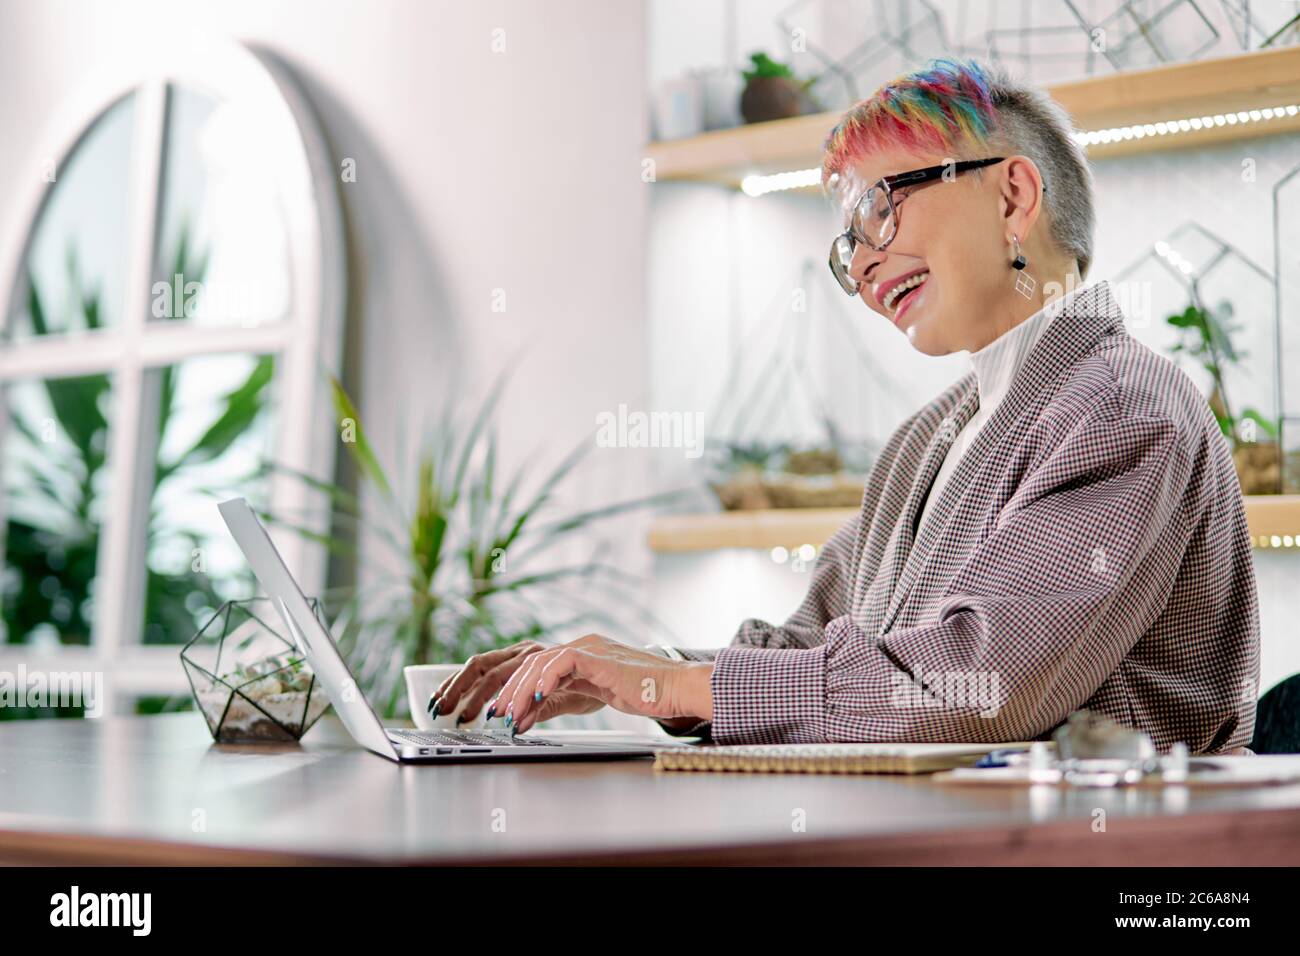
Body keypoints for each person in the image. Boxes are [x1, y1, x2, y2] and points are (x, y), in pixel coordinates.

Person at [430, 58, 1259, 755]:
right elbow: (812, 650)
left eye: (878, 210)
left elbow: (976, 682)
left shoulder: (1120, 407)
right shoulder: (925, 441)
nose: (862, 267)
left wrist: (669, 683)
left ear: (1011, 198)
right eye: (847, 244)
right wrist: (636, 671)